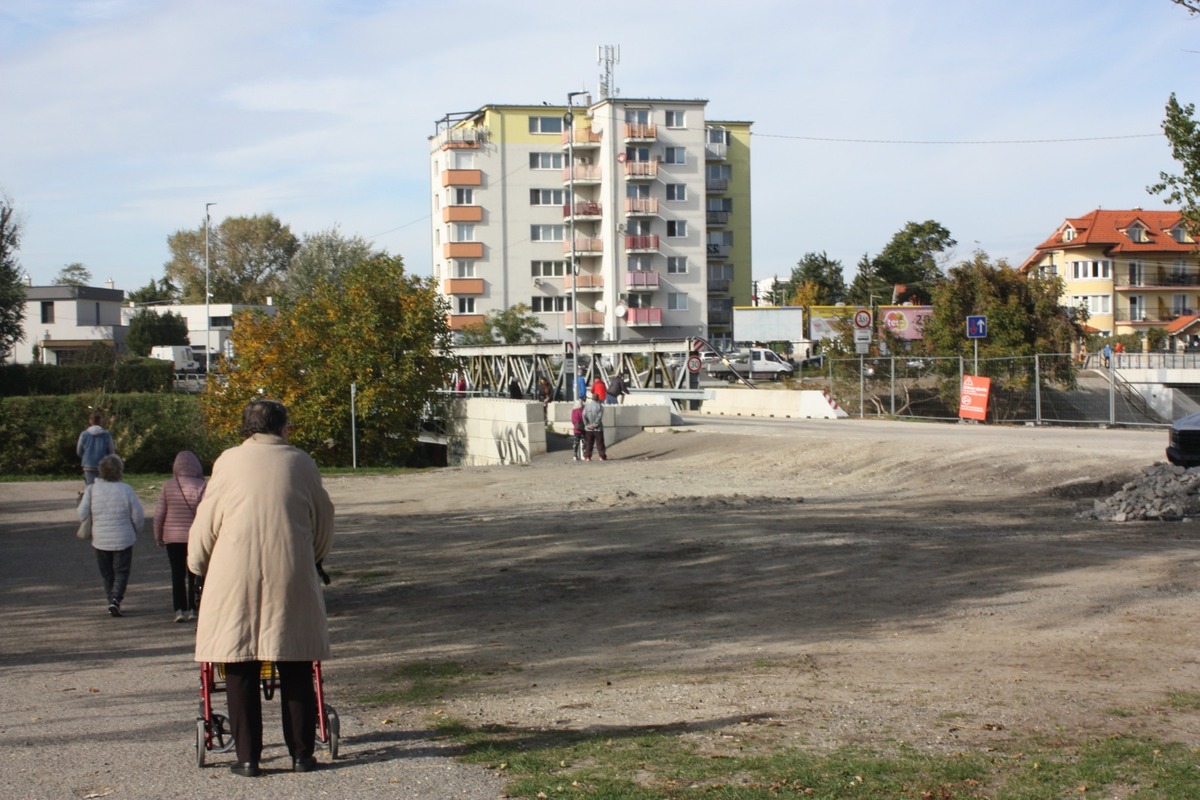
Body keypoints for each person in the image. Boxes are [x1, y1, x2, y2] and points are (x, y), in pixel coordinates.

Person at [188, 399, 335, 777]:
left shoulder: (228, 461)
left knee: (240, 665)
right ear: (283, 428)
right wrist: (311, 557)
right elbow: (323, 518)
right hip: (291, 573)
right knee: (297, 662)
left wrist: (197, 565)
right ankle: (302, 754)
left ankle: (248, 758)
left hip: (234, 575)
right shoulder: (301, 462)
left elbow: (207, 522)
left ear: (246, 429)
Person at [78, 454, 144, 618]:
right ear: (119, 470)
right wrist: (137, 529)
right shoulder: (126, 489)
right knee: (122, 571)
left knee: (107, 573)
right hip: (124, 537)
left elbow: (81, 514)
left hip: (100, 538)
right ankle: (116, 600)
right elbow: (138, 514)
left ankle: (111, 601)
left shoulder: (92, 489)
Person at [153, 451, 206, 623]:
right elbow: (206, 513)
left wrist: (158, 535)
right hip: (194, 537)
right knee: (194, 573)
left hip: (173, 537)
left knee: (177, 574)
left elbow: (160, 514)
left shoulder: (169, 485)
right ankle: (194, 608)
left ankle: (179, 610)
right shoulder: (202, 485)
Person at [76, 413, 115, 486]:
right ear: (100, 421)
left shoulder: (84, 434)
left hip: (88, 464)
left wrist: (85, 457)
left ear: (90, 421)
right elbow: (111, 451)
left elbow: (79, 451)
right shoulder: (106, 435)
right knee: (103, 487)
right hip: (103, 465)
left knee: (90, 487)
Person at [582, 391, 607, 462]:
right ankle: (602, 456)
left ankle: (587, 457)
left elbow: (584, 415)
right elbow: (599, 417)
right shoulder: (600, 406)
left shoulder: (587, 406)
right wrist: (595, 425)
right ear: (598, 399)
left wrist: (587, 424)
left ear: (592, 399)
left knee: (589, 443)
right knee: (600, 443)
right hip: (598, 428)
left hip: (588, 429)